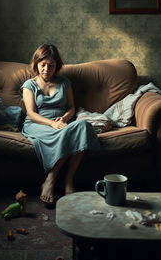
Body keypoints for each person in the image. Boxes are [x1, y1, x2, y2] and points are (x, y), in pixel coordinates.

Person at [21, 44, 100, 206]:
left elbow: (72, 108)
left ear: (57, 66)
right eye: (43, 64)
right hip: (38, 123)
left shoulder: (65, 83)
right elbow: (31, 113)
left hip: (62, 123)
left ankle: (68, 180)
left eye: (51, 65)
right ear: (36, 64)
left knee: (82, 127)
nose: (46, 69)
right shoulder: (30, 85)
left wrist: (63, 118)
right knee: (68, 134)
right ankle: (50, 179)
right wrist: (51, 123)